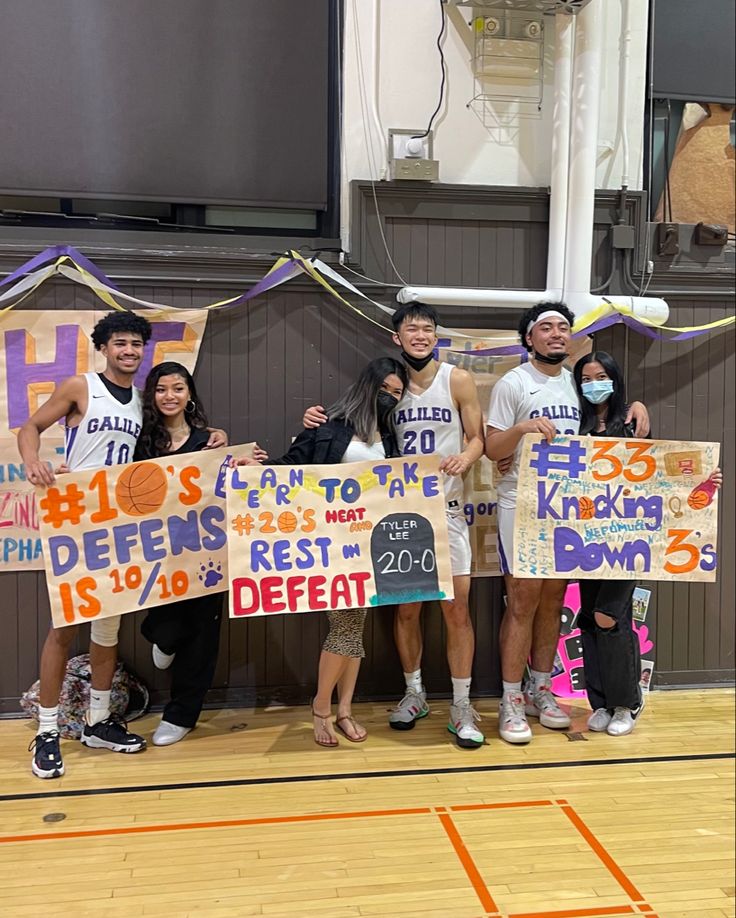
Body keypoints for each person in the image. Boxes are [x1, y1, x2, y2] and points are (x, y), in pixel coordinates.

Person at [18, 313, 227, 778]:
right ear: (104, 348)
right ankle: (48, 731)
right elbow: (29, 428)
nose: (128, 350)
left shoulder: (143, 404)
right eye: (120, 343)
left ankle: (97, 722)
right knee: (63, 628)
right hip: (77, 520)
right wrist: (34, 462)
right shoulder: (79, 386)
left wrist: (216, 439)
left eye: (136, 343)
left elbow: (172, 456)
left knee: (106, 633)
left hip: (120, 529)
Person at [304, 303, 486, 750]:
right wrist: (314, 421)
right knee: (406, 608)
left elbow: (478, 436)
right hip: (398, 514)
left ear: (436, 335)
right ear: (396, 337)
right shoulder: (390, 384)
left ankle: (462, 704)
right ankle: (415, 693)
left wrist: (467, 456)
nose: (420, 335)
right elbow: (353, 428)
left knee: (456, 609)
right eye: (412, 328)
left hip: (446, 506)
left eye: (428, 328)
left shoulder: (456, 378)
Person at [485, 303, 650, 745]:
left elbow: (609, 410)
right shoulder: (513, 383)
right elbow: (490, 446)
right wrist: (520, 430)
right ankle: (510, 698)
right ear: (528, 338)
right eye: (546, 328)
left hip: (569, 511)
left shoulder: (578, 384)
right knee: (521, 601)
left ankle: (541, 687)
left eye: (563, 327)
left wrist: (636, 404)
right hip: (521, 506)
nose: (557, 333)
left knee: (553, 598)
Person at [242, 358, 407, 746]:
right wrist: (257, 468)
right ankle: (321, 708)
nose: (390, 398)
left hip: (370, 545)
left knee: (353, 626)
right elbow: (292, 469)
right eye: (385, 389)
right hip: (329, 542)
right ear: (368, 386)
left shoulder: (391, 438)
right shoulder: (328, 427)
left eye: (397, 393)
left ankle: (344, 709)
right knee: (347, 626)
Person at [573, 351, 722, 736]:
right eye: (586, 378)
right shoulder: (576, 423)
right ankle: (601, 702)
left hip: (630, 537)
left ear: (615, 378)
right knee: (590, 616)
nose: (593, 384)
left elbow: (658, 472)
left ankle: (627, 702)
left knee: (610, 615)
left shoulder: (632, 421)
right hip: (586, 537)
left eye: (601, 376)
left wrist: (701, 481)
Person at [134, 361, 241, 746]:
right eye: (161, 389)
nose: (169, 396)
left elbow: (229, 484)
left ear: (189, 394)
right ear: (152, 395)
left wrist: (247, 462)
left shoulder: (209, 441)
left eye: (178, 388)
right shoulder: (141, 441)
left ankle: (181, 715)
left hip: (207, 551)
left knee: (203, 631)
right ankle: (163, 639)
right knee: (166, 623)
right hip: (157, 552)